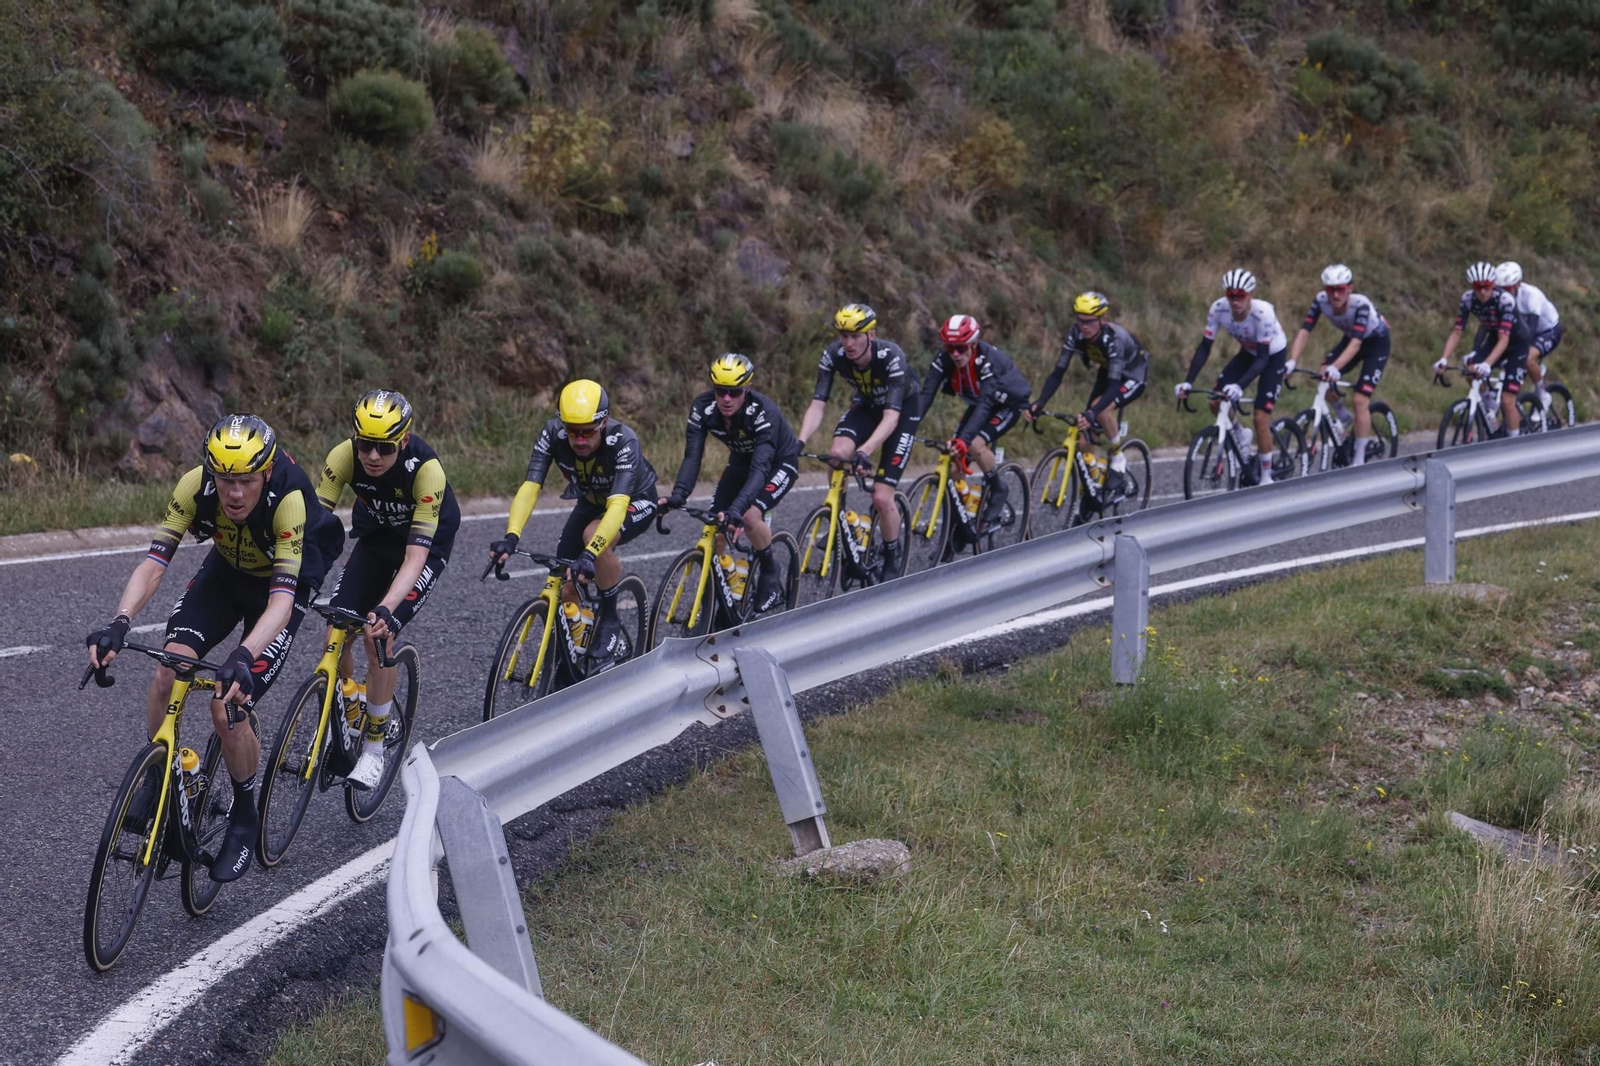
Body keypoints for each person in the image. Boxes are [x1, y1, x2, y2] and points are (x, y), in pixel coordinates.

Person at [85, 415, 344, 883]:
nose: (234, 493)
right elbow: (154, 564)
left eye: (245, 480)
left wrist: (244, 655)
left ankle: (245, 815)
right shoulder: (192, 486)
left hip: (283, 588)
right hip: (225, 572)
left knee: (228, 707)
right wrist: (119, 623)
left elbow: (282, 604)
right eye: (225, 480)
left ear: (265, 473)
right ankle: (159, 774)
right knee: (168, 669)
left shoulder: (287, 501)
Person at [315, 390, 459, 788]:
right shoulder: (343, 457)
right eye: (366, 446)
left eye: (384, 448)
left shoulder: (426, 471)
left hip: (424, 545)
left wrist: (388, 609)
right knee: (336, 630)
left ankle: (374, 751)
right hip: (378, 537)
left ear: (404, 440)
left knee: (378, 634)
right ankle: (350, 701)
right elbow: (310, 527)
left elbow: (414, 558)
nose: (373, 457)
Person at [489, 380, 658, 658]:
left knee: (593, 537)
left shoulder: (624, 440)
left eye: (588, 432)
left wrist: (590, 554)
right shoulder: (552, 434)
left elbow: (616, 506)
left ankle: (610, 618)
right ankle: (572, 656)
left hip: (633, 500)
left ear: (603, 423)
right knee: (563, 582)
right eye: (572, 431)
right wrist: (511, 536)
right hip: (590, 501)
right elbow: (531, 486)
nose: (579, 440)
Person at [660, 354, 799, 613]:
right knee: (716, 525)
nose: (726, 399)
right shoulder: (702, 408)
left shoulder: (762, 412)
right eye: (720, 391)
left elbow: (760, 470)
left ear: (747, 389)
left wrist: (738, 508)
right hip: (740, 463)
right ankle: (717, 596)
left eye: (734, 393)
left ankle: (770, 570)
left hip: (778, 463)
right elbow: (693, 456)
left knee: (749, 516)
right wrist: (679, 494)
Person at [797, 303, 923, 577]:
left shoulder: (891, 356)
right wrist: (800, 441)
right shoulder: (833, 355)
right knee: (836, 453)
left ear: (871, 335)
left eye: (855, 336)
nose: (848, 343)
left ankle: (892, 551)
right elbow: (818, 405)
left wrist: (865, 451)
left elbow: (890, 418)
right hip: (866, 406)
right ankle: (839, 520)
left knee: (880, 496)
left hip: (902, 413)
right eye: (843, 335)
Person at [1027, 291, 1149, 502]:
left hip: (1133, 374)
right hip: (1108, 370)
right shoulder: (1074, 333)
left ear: (1103, 319)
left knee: (1099, 409)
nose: (1083, 326)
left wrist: (1094, 411)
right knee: (1084, 437)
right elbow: (1058, 373)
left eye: (1089, 322)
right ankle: (1094, 480)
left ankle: (1118, 457)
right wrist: (1040, 402)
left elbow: (1113, 386)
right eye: (1079, 320)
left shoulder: (1115, 339)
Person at [1176, 269, 1290, 484]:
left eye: (1240, 296)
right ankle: (1240, 433)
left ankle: (1266, 476)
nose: (1235, 301)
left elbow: (1263, 359)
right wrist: (1188, 381)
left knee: (1260, 417)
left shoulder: (1263, 313)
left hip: (1271, 357)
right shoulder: (1218, 308)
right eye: (1231, 295)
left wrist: (1239, 385)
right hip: (1248, 354)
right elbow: (1204, 348)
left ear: (1251, 294)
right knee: (1215, 401)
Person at [915, 313, 1032, 520]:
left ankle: (998, 489)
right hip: (979, 404)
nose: (956, 354)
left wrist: (964, 440)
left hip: (1006, 405)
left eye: (961, 348)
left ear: (974, 343)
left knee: (974, 445)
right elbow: (926, 396)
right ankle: (964, 515)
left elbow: (986, 404)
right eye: (950, 348)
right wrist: (908, 426)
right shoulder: (945, 358)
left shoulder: (989, 361)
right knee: (951, 463)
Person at [1286, 264, 1392, 466]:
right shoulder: (1320, 301)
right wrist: (1292, 360)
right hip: (1352, 338)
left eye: (1340, 289)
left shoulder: (1361, 305)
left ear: (1350, 288)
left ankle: (1359, 458)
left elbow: (1356, 344)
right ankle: (1343, 416)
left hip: (1376, 343)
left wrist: (1336, 367)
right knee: (1322, 375)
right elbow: (1305, 330)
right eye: (1330, 289)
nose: (1335, 295)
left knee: (1360, 400)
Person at [1431, 261, 1532, 437]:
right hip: (1495, 338)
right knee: (1470, 372)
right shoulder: (1467, 299)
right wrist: (1444, 358)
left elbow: (1504, 339)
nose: (1483, 291)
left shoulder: (1504, 300)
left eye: (1487, 286)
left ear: (1493, 285)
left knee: (1508, 400)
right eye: (1478, 287)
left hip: (1517, 343)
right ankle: (1490, 408)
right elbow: (1457, 332)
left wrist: (1486, 364)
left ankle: (1516, 446)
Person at [1495, 261, 1560, 415]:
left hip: (1547, 330)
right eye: (1500, 289)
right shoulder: (1501, 299)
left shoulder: (1532, 296)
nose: (1505, 292)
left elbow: (1530, 331)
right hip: (1523, 331)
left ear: (1518, 284)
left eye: (1508, 288)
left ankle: (1542, 394)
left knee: (1527, 358)